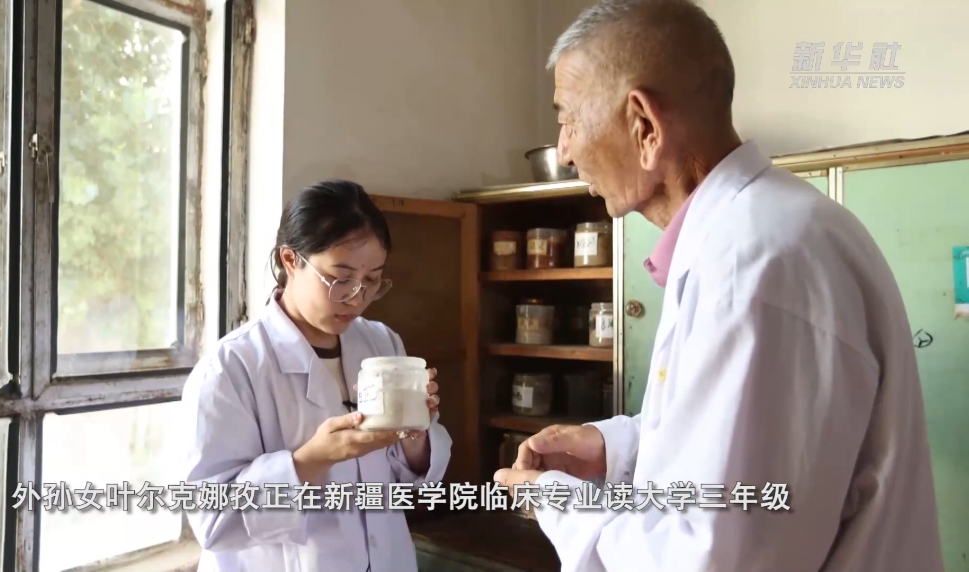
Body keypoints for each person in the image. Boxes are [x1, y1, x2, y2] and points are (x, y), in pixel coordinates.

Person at [493, 1, 944, 571]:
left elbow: (711, 556)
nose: (564, 150)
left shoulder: (752, 266)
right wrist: (617, 449)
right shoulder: (762, 232)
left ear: (644, 127)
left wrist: (558, 502)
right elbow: (746, 445)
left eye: (569, 119)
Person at [181, 180, 452, 572]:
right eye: (340, 277)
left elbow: (399, 477)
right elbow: (213, 520)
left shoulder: (382, 343)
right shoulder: (231, 368)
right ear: (291, 260)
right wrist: (311, 460)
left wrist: (415, 436)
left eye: (372, 280)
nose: (356, 297)